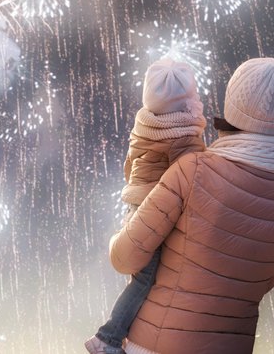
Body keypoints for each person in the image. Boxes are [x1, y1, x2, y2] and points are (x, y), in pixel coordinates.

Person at [108, 58, 274, 354]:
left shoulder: (192, 170)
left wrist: (121, 232)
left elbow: (125, 258)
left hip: (154, 345)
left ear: (232, 102)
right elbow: (261, 283)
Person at [86, 58, 206, 354]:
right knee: (147, 280)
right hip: (156, 215)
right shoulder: (183, 136)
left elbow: (130, 167)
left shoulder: (145, 126)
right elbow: (192, 177)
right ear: (188, 102)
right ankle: (108, 337)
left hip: (135, 210)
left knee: (142, 279)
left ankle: (127, 334)